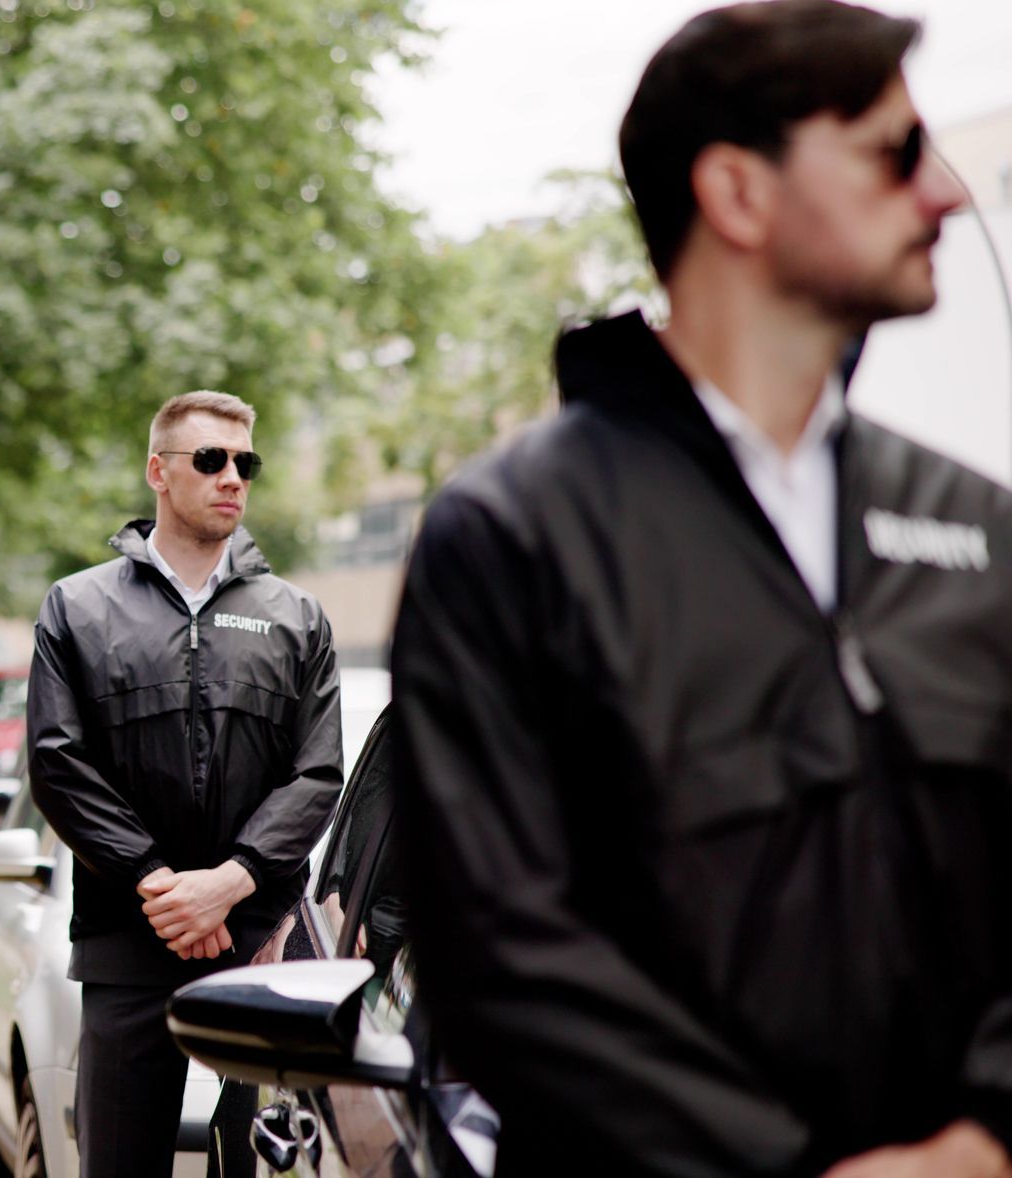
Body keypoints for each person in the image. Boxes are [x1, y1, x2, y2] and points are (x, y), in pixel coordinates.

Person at [391, 3, 1012, 1174]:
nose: (942, 192)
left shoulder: (979, 524)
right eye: (891, 152)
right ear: (737, 193)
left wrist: (982, 1137)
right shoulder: (514, 537)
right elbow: (501, 952)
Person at [28, 391, 342, 1177]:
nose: (232, 477)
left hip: (259, 945)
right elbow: (58, 764)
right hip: (128, 935)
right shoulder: (78, 607)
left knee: (260, 1165)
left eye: (245, 462)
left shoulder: (298, 618)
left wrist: (228, 885)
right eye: (210, 459)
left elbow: (317, 774)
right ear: (158, 472)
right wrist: (160, 883)